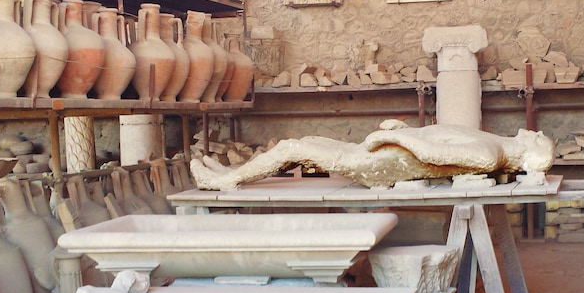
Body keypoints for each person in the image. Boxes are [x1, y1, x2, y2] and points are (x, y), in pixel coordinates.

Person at [190, 119, 555, 190]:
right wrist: (402, 129)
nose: (535, 132)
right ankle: (231, 171)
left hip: (380, 162)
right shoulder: (493, 142)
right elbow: (437, 139)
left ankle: (224, 179)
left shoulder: (490, 154)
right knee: (307, 140)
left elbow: (431, 152)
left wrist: (387, 139)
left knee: (293, 148)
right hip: (388, 151)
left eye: (539, 140)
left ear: (528, 152)